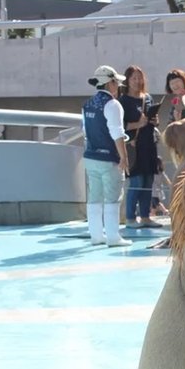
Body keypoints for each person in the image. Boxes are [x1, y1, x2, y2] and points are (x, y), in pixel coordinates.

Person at [82, 65, 131, 247]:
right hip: (108, 157)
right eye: (116, 82)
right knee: (112, 197)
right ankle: (113, 236)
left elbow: (85, 130)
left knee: (94, 197)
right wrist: (123, 157)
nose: (118, 86)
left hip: (90, 156)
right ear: (110, 82)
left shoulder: (87, 104)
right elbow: (117, 133)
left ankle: (96, 235)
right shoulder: (112, 104)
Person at [119, 65, 162, 229]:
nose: (138, 81)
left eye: (140, 77)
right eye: (134, 78)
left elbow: (152, 120)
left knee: (148, 181)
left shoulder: (147, 97)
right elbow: (120, 125)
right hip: (133, 146)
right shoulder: (122, 101)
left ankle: (145, 216)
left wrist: (153, 120)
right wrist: (139, 123)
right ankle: (130, 217)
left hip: (149, 144)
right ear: (127, 81)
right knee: (136, 181)